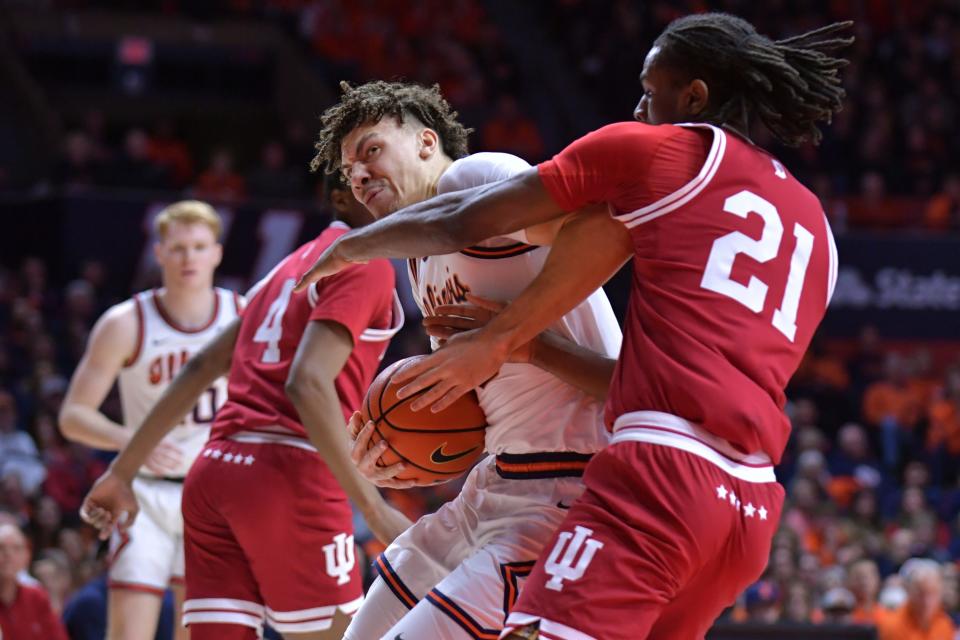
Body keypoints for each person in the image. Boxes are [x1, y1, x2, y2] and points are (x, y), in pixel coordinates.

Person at [296, 13, 851, 639]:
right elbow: (649, 376)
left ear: (693, 96)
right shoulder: (819, 235)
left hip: (638, 473)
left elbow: (465, 219)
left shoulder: (648, 154)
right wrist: (427, 426)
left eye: (649, 89)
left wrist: (352, 248)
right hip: (746, 497)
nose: (638, 107)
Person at [312, 80, 621, 640]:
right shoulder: (419, 262)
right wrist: (398, 452)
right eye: (348, 170)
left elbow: (597, 228)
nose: (357, 175)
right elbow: (487, 410)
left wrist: (510, 336)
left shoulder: (479, 178)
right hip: (491, 484)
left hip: (569, 490)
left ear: (427, 142)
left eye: (371, 150)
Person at [80, 177, 407, 640]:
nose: (398, 190)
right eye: (373, 180)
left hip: (214, 470)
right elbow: (307, 381)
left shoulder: (281, 270)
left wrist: (121, 472)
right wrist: (372, 507)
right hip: (291, 470)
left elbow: (200, 366)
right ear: (339, 195)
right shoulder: (365, 261)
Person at [59, 200, 239, 640]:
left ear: (216, 253)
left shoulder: (244, 315)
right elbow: (73, 416)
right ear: (158, 253)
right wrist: (137, 441)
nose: (188, 258)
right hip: (144, 493)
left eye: (198, 247)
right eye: (177, 248)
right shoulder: (125, 322)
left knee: (198, 630)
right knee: (128, 631)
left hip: (212, 495)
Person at [0, 523, 68, 639]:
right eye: (1, 548)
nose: (8, 554)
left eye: (16, 548)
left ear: (27, 556)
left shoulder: (36, 596)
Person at [878, 559, 956, 640]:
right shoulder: (891, 625)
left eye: (932, 593)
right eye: (921, 594)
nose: (926, 602)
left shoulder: (945, 624)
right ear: (909, 593)